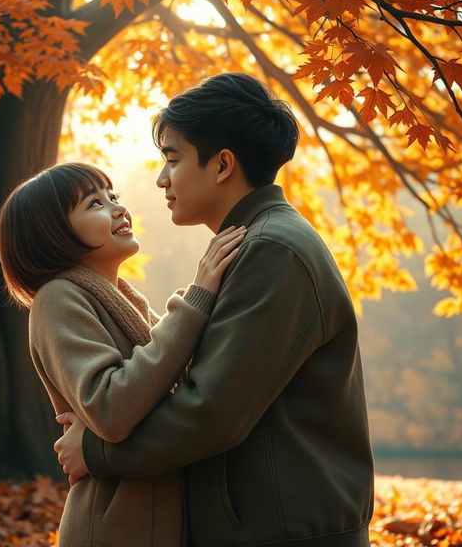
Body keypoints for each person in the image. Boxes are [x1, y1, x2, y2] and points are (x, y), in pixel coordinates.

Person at [55, 73, 375, 547]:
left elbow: (212, 411)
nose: (162, 178)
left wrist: (98, 452)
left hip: (284, 534)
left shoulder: (273, 251)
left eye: (173, 159)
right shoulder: (253, 244)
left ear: (222, 164)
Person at [0, 162, 246, 546]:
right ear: (52, 233)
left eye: (114, 196)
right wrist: (196, 298)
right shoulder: (58, 299)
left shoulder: (125, 300)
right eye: (95, 203)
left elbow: (183, 373)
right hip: (116, 527)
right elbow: (112, 408)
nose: (118, 208)